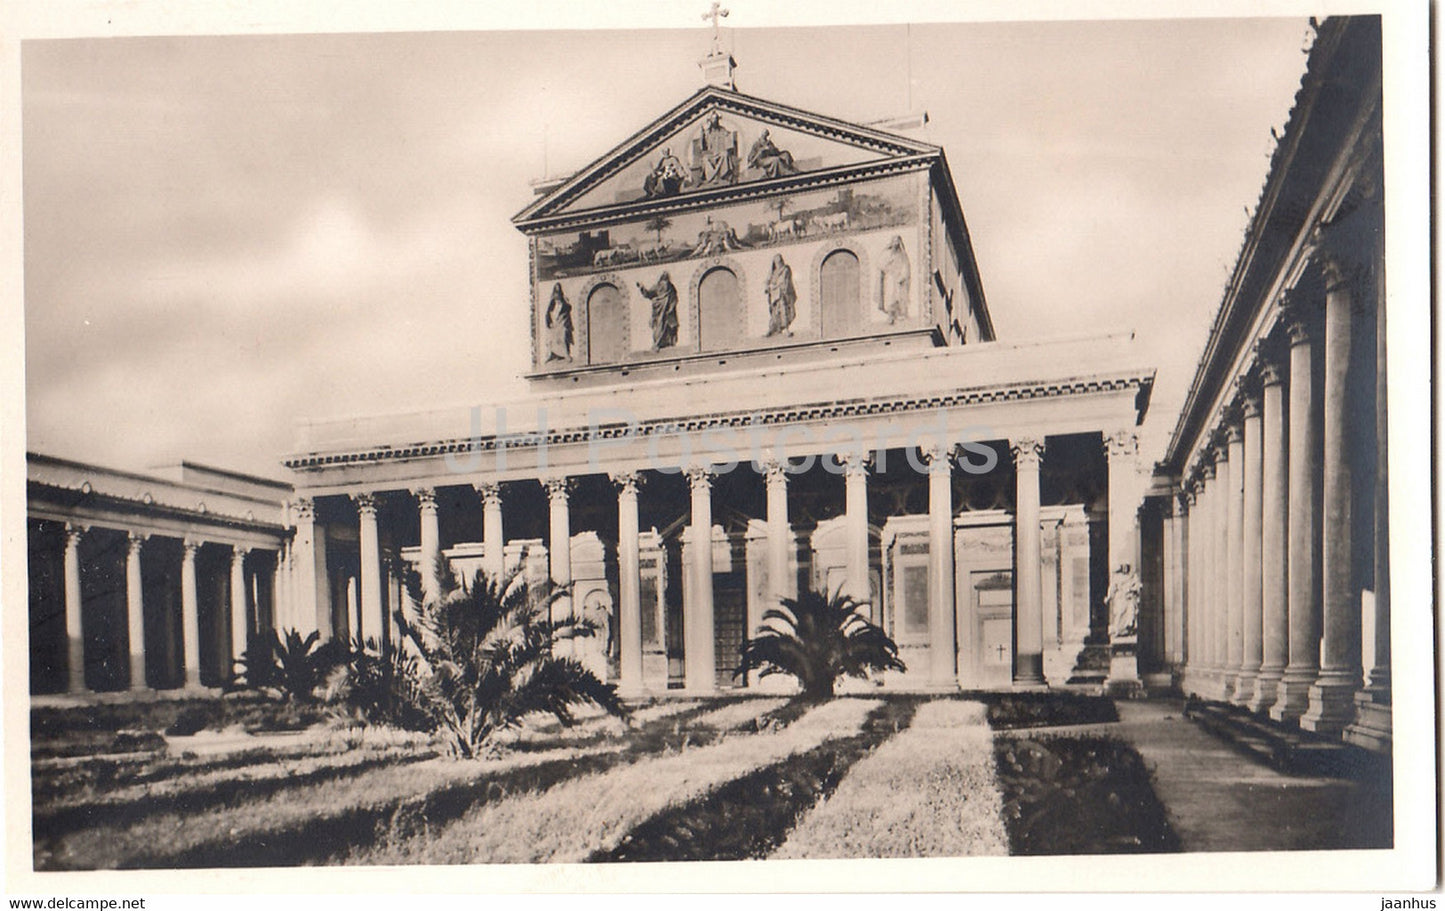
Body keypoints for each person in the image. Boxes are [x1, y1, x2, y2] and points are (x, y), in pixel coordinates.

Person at [637, 271, 679, 350]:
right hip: (662, 311)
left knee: (662, 326)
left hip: (663, 310)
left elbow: (648, 294)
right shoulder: (668, 286)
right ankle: (660, 343)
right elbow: (674, 299)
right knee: (662, 325)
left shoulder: (662, 286)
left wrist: (642, 288)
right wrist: (642, 288)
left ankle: (661, 343)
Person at [696, 112, 737, 187]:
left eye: (716, 119)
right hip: (711, 154)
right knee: (705, 158)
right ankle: (711, 178)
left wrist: (729, 139)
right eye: (713, 119)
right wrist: (702, 134)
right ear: (710, 121)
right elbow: (702, 146)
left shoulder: (722, 130)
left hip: (720, 152)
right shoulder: (707, 132)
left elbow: (729, 140)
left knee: (725, 154)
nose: (715, 121)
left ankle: (722, 176)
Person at [877, 235, 911, 323]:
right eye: (894, 241)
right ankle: (890, 316)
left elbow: (906, 267)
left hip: (898, 279)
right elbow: (881, 264)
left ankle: (899, 315)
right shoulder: (887, 253)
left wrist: (902, 276)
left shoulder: (902, 255)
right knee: (889, 296)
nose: (895, 244)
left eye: (897, 242)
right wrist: (888, 266)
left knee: (898, 297)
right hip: (890, 278)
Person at [764, 253, 797, 337]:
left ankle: (785, 328)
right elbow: (768, 281)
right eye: (776, 261)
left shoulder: (785, 269)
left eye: (779, 260)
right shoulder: (773, 272)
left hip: (782, 293)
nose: (778, 263)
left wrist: (776, 287)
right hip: (774, 295)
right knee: (774, 311)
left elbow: (784, 281)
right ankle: (773, 328)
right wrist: (768, 287)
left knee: (784, 310)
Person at [543, 283, 573, 362]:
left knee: (563, 335)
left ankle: (565, 354)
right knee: (550, 337)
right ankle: (552, 354)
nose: (557, 296)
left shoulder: (564, 304)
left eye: (558, 293)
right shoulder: (552, 304)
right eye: (555, 293)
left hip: (561, 325)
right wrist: (549, 323)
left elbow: (568, 309)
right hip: (554, 325)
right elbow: (548, 314)